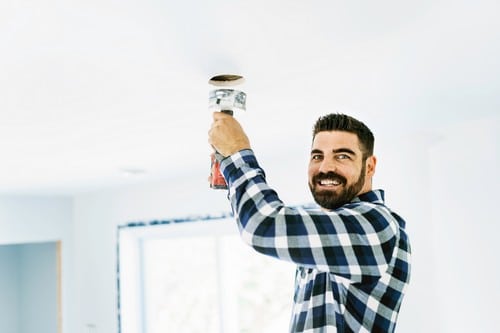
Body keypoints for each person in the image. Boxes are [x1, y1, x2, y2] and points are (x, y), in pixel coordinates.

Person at [208, 112, 411, 332]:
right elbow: (271, 217)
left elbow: (262, 224)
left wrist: (236, 151)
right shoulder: (332, 228)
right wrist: (232, 178)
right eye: (317, 156)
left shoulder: (377, 224)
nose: (325, 167)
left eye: (342, 156)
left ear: (369, 166)